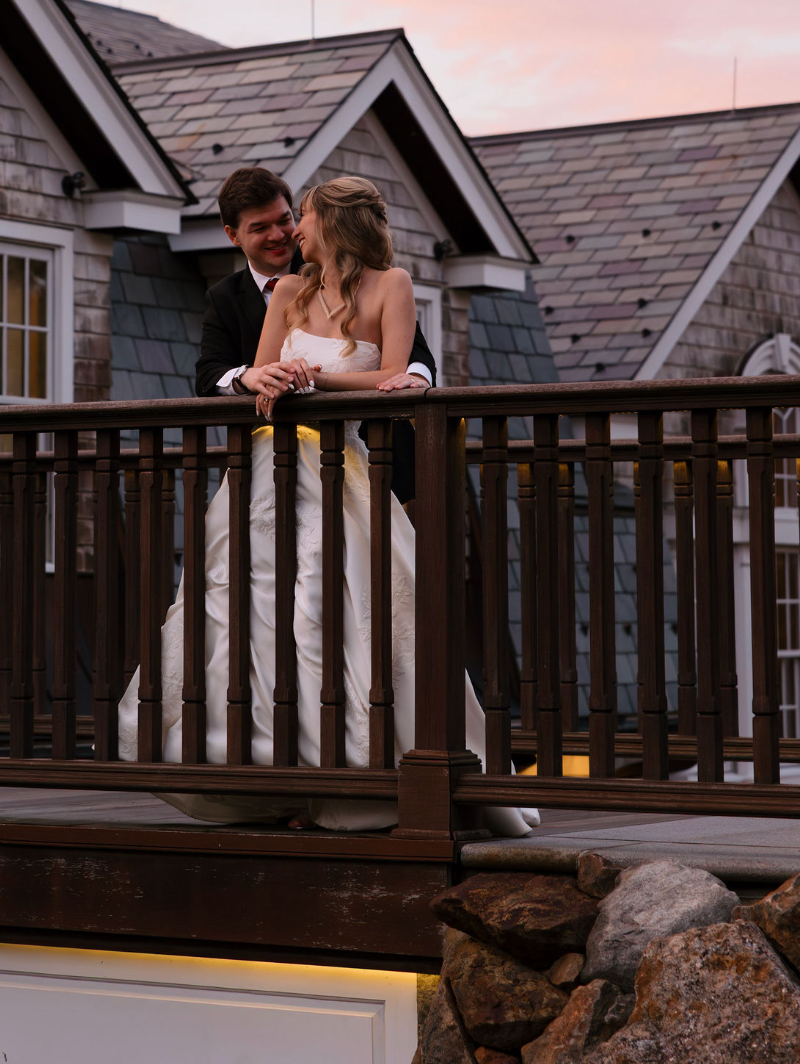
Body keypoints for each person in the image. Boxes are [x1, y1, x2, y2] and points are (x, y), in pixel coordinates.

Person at [119, 175, 536, 837]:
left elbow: (402, 369)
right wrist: (264, 377)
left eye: (299, 218)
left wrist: (316, 383)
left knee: (333, 612)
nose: (290, 232)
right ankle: (268, 775)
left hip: (344, 470)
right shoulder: (279, 292)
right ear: (235, 236)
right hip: (266, 475)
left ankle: (358, 773)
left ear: (329, 224)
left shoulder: (392, 285)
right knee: (244, 615)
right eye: (271, 226)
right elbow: (244, 374)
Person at [195, 166, 435, 503]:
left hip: (374, 459)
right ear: (233, 235)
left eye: (286, 219)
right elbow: (208, 375)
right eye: (261, 228)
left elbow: (414, 354)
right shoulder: (226, 297)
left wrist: (414, 380)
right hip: (277, 465)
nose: (282, 235)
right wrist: (253, 377)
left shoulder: (378, 281)